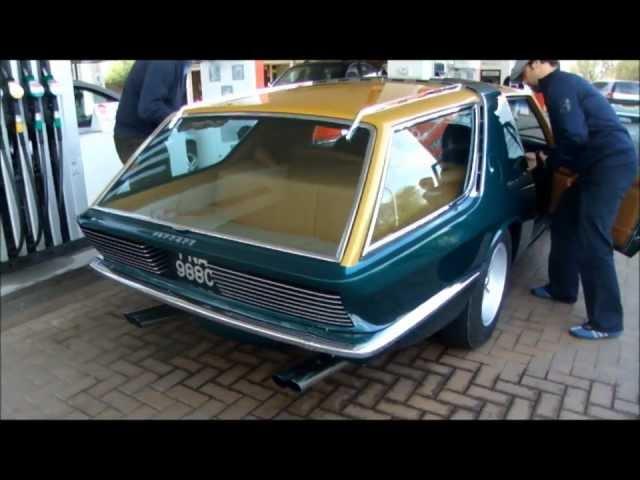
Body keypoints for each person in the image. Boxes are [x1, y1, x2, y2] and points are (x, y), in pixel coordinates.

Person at [510, 60, 637, 340]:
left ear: (539, 63)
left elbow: (575, 137)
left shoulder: (560, 87)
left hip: (610, 167)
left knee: (593, 240)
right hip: (596, 166)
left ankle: (607, 322)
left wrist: (548, 159)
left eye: (525, 73)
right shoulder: (561, 85)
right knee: (565, 220)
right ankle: (562, 288)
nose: (525, 80)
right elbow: (575, 137)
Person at [114, 60, 192, 164]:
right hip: (135, 140)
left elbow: (175, 103)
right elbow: (148, 108)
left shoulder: (182, 64)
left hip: (151, 137)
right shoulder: (164, 63)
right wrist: (182, 120)